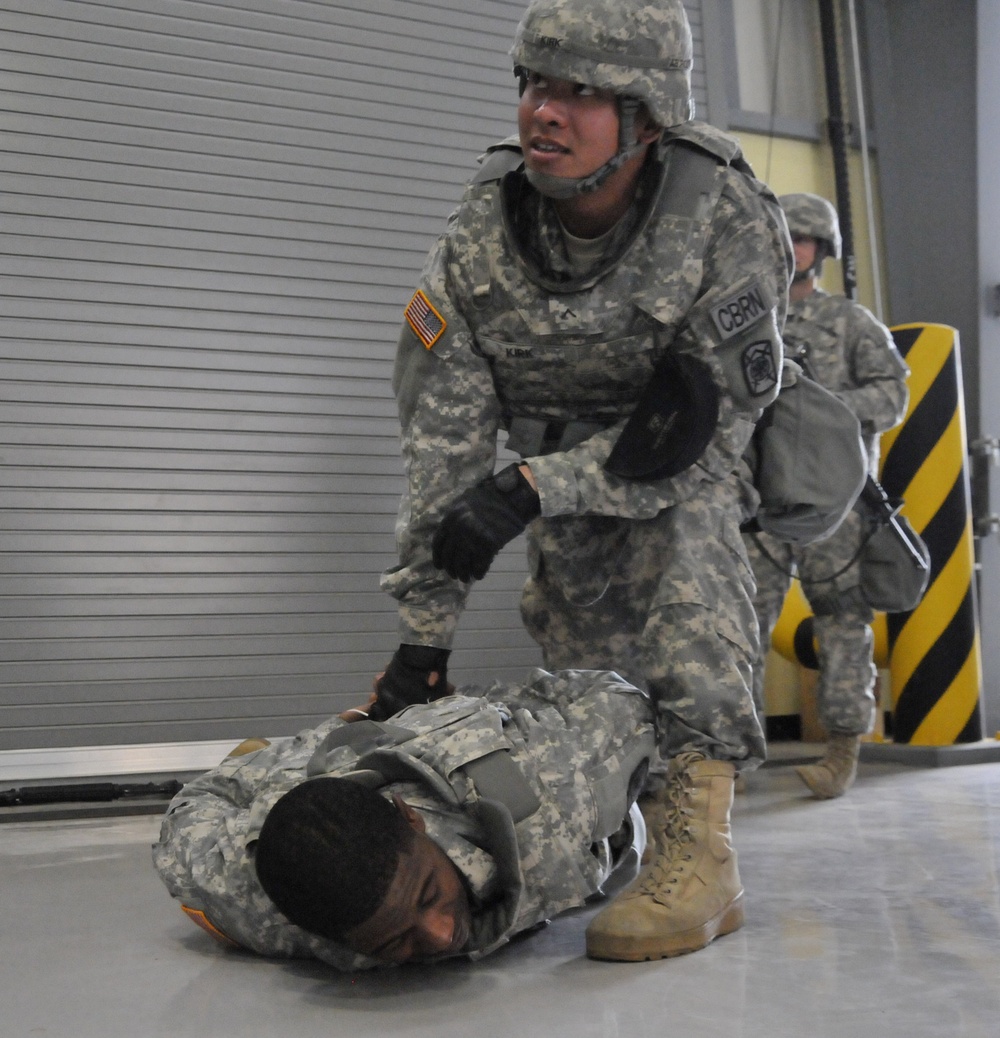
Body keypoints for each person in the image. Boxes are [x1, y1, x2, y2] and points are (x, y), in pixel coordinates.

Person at [373, 0, 792, 960]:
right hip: (564, 480)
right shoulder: (481, 237)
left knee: (686, 556)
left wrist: (527, 489)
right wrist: (420, 643)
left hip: (693, 465)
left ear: (646, 115)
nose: (543, 114)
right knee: (587, 678)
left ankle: (704, 853)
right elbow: (441, 448)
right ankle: (615, 829)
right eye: (533, 84)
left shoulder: (723, 216)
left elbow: (694, 442)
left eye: (580, 93)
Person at [152, 668, 655, 968]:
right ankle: (319, 747)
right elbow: (191, 806)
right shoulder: (254, 907)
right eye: (394, 942)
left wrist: (513, 706)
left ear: (409, 820)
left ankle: (361, 727)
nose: (439, 935)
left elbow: (624, 700)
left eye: (429, 892)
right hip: (313, 776)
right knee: (281, 769)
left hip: (460, 750)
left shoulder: (549, 790)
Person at [744, 192, 909, 799]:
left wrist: (831, 414)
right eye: (786, 237)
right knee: (739, 625)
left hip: (835, 504)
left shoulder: (851, 324)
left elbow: (893, 395)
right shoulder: (749, 316)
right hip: (758, 505)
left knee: (843, 623)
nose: (794, 249)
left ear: (824, 250)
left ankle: (842, 749)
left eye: (805, 239)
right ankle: (727, 759)